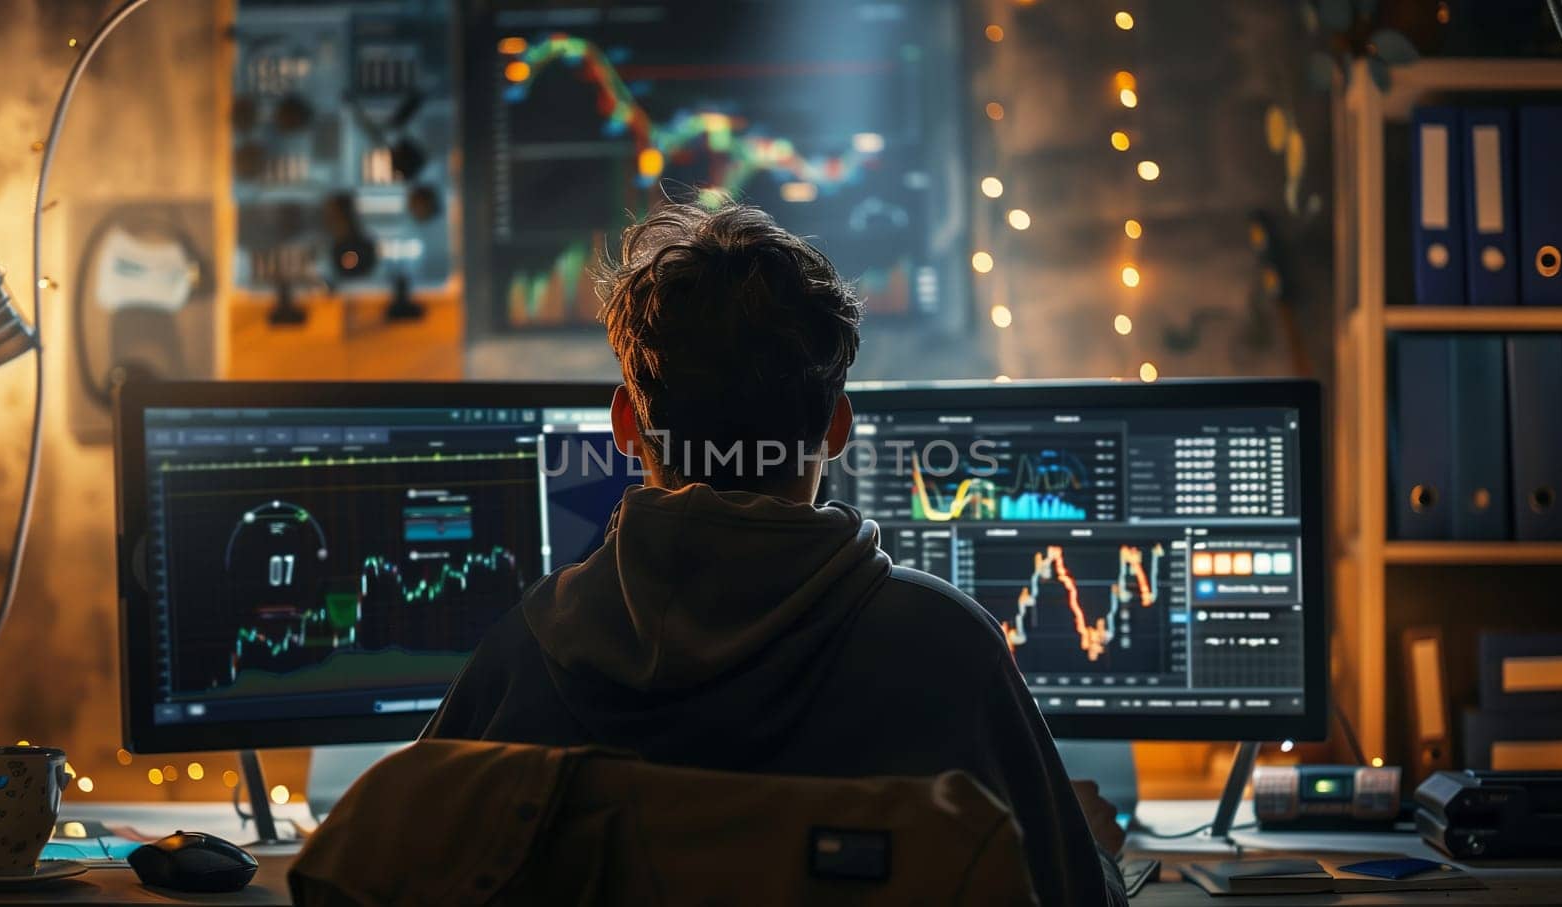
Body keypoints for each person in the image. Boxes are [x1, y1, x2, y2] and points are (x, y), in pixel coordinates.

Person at [424, 202, 1128, 905]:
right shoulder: (949, 649)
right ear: (837, 427)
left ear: (625, 425)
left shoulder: (521, 657)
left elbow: (394, 858)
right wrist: (1089, 847)